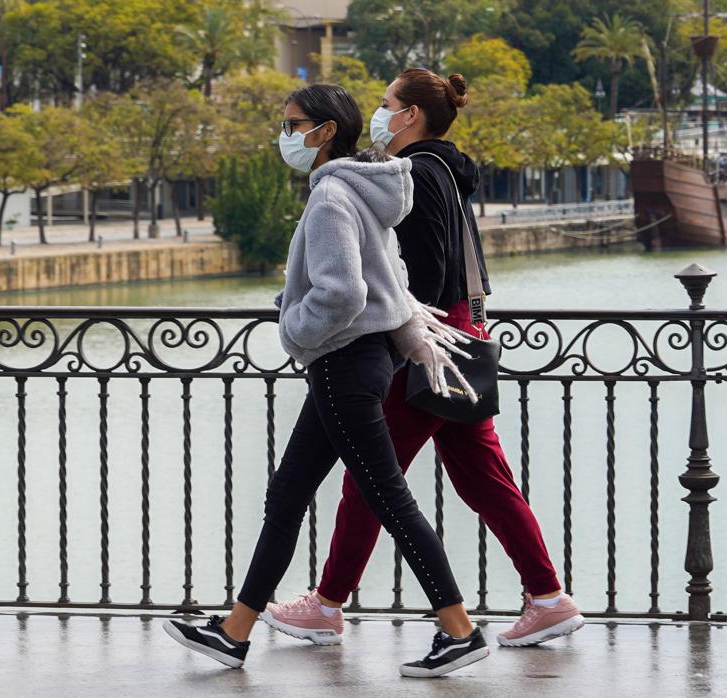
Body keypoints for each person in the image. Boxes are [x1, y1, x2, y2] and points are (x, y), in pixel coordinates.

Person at [163, 83, 490, 678]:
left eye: (292, 124)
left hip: (343, 363)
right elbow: (391, 275)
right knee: (287, 496)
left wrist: (293, 326)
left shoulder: (333, 197)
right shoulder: (366, 192)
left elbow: (343, 292)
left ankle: (460, 631)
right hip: (358, 363)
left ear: (323, 132)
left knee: (389, 499)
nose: (285, 135)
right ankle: (234, 632)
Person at [260, 69, 584, 649]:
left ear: (410, 115)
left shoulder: (420, 175)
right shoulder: (445, 172)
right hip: (457, 336)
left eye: (386, 104)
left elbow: (422, 272)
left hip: (425, 344)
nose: (379, 113)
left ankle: (329, 604)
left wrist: (395, 333)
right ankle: (548, 597)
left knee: (371, 479)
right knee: (482, 477)